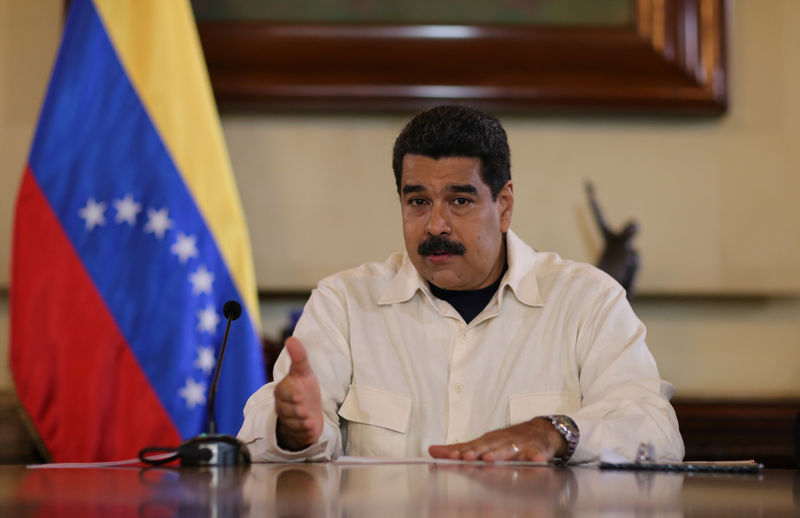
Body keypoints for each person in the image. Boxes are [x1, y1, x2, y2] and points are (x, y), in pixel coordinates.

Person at [238, 105, 684, 463]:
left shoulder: (587, 301)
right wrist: (292, 430)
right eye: (418, 201)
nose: (436, 224)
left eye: (460, 200)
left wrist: (557, 432)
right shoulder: (344, 303)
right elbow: (260, 432)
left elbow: (655, 429)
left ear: (504, 205)